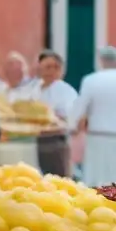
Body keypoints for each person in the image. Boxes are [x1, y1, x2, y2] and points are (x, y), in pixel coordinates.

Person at [71, 46, 116, 186]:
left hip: (97, 136)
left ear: (101, 60)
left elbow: (80, 107)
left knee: (96, 179)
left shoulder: (91, 80)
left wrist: (71, 126)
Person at [33, 50, 79, 124]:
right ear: (39, 69)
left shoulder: (67, 91)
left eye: (56, 67)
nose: (52, 71)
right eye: (48, 67)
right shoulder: (32, 88)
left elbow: (69, 117)